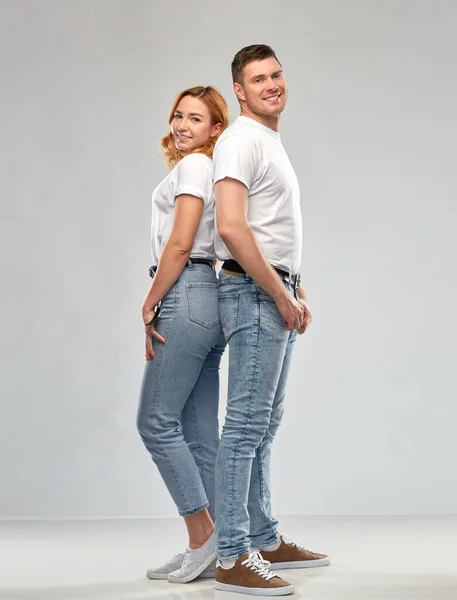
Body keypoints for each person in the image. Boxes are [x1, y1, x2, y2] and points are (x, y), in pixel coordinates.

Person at [212, 45, 330, 596]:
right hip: (255, 295)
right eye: (258, 79)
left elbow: (270, 226)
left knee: (262, 428)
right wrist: (279, 294)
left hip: (273, 290)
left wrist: (294, 288)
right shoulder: (239, 140)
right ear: (240, 90)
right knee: (243, 429)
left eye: (276, 74)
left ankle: (263, 535)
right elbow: (233, 228)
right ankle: (233, 556)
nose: (271, 85)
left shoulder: (267, 141)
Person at [136, 86, 228, 584]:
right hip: (207, 296)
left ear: (217, 130)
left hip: (186, 290)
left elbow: (180, 243)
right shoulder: (206, 169)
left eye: (197, 118)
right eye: (178, 115)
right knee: (196, 432)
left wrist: (150, 300)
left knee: (154, 422)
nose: (183, 125)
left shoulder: (195, 166)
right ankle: (221, 546)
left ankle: (201, 537)